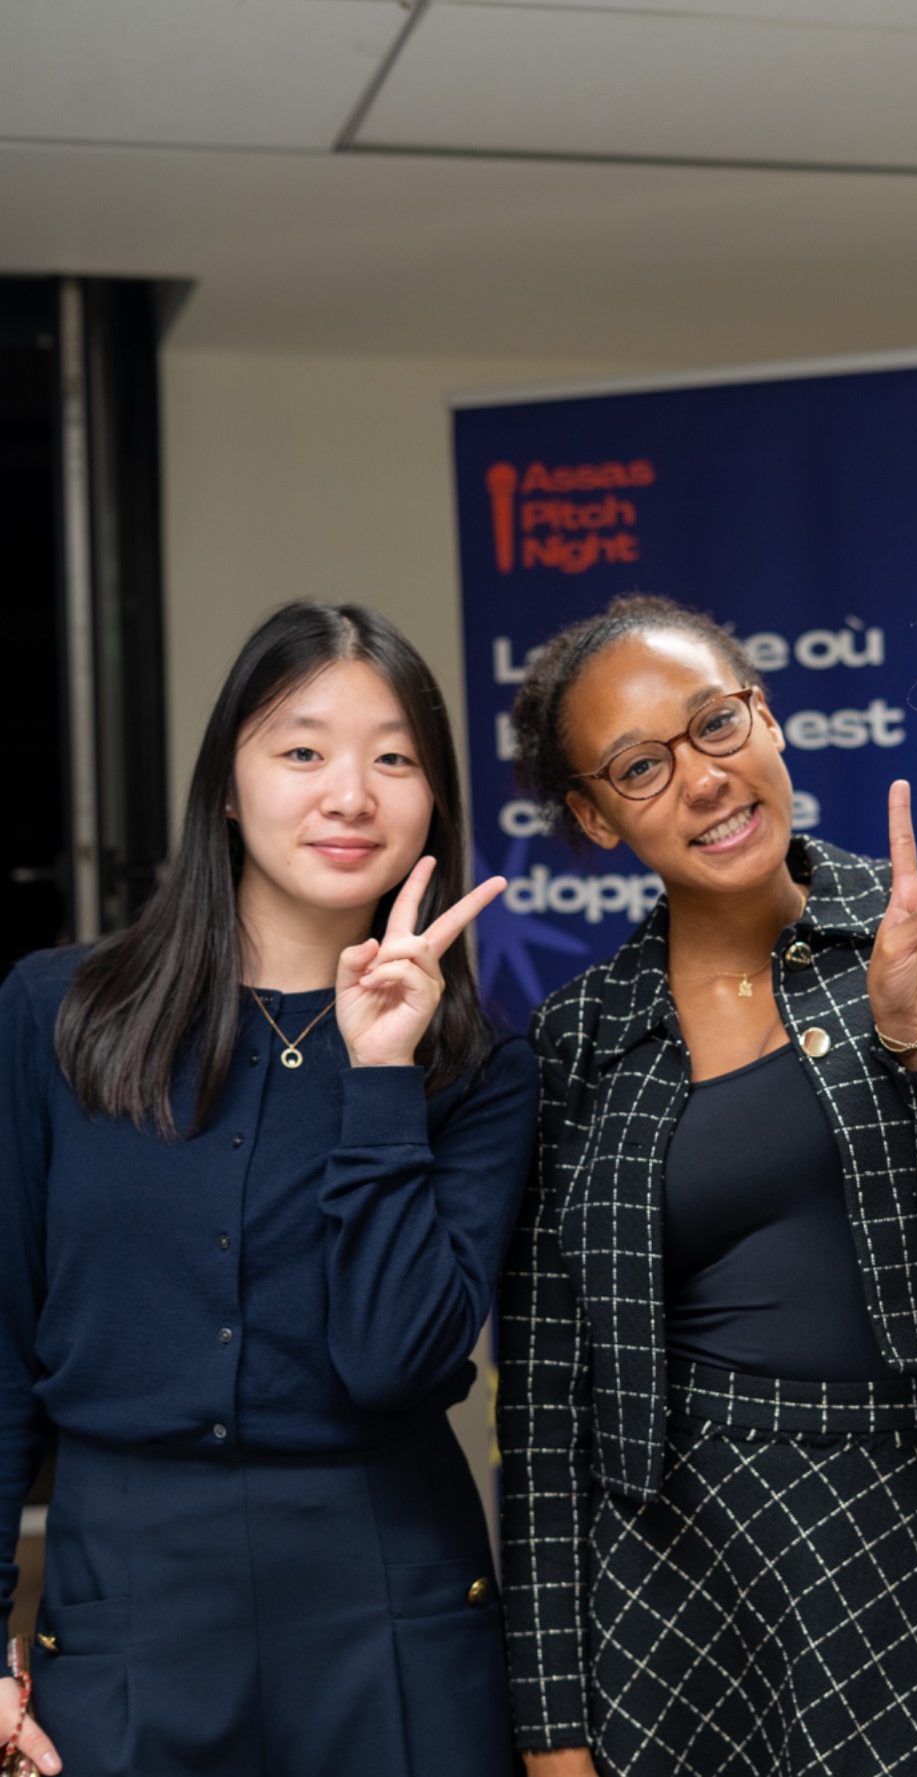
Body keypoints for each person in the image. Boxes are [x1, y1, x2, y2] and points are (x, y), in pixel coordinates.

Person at [497, 594, 917, 1777]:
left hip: (898, 1523)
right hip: (665, 1564)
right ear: (593, 817)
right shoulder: (575, 1042)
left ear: (771, 718)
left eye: (715, 724)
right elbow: (543, 1410)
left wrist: (912, 1043)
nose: (701, 778)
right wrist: (551, 1731)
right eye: (641, 766)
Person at [0, 603, 538, 1776]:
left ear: (435, 802)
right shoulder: (60, 1015)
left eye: (393, 758)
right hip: (125, 1610)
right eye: (302, 751)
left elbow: (400, 1363)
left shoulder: (481, 1069)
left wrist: (382, 1073)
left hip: (391, 1610)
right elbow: (1, 1347)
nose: (350, 793)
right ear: (229, 790)